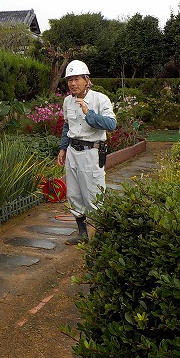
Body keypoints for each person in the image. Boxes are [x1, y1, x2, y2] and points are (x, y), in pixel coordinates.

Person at [57, 60, 116, 244]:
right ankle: (82, 234)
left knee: (94, 194)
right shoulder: (68, 101)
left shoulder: (100, 99)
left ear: (86, 80)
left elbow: (111, 124)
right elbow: (67, 126)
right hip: (73, 152)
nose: (73, 84)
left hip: (92, 152)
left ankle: (102, 238)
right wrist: (63, 148)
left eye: (77, 79)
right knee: (74, 194)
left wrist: (89, 113)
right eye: (70, 80)